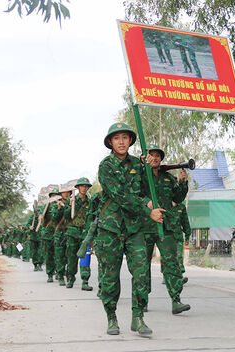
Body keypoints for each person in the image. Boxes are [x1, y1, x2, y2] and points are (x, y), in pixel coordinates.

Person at [96, 122, 164, 336]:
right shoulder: (105, 166)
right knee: (110, 276)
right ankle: (111, 316)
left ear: (131, 141)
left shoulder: (138, 163)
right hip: (111, 229)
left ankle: (137, 317)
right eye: (117, 138)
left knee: (142, 273)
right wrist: (146, 211)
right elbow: (121, 196)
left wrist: (148, 169)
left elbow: (145, 190)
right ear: (110, 142)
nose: (122, 141)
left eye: (125, 137)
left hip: (134, 228)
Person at [141, 144, 190, 315]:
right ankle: (142, 300)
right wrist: (147, 201)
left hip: (165, 225)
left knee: (172, 264)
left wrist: (183, 182)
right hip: (145, 227)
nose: (154, 158)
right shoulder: (141, 176)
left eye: (157, 156)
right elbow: (134, 194)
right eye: (151, 155)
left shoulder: (168, 178)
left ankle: (176, 300)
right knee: (142, 265)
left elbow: (177, 197)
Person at [64, 177, 93, 290]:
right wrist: (70, 206)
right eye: (82, 186)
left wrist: (87, 235)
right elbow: (66, 217)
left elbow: (90, 218)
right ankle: (70, 278)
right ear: (77, 188)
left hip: (84, 234)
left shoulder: (90, 202)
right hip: (72, 232)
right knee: (71, 258)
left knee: (85, 258)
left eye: (86, 186)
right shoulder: (71, 200)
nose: (84, 188)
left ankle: (85, 281)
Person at [52, 185, 72, 286]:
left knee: (69, 256)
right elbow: (54, 219)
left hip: (70, 233)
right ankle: (60, 276)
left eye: (68, 192)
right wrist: (59, 209)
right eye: (64, 192)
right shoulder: (56, 205)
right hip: (59, 233)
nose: (66, 194)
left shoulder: (72, 203)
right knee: (60, 256)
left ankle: (69, 276)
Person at [40, 188, 60, 283]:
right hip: (48, 234)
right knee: (49, 255)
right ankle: (50, 274)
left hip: (58, 233)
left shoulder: (61, 205)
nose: (54, 197)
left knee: (59, 255)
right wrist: (41, 217)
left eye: (55, 195)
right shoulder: (46, 206)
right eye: (52, 196)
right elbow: (42, 217)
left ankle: (58, 272)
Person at [171, 201, 191, 284]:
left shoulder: (181, 207)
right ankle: (167, 276)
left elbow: (185, 222)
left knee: (178, 256)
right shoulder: (164, 204)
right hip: (166, 237)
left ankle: (179, 277)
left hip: (178, 236)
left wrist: (187, 236)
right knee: (167, 257)